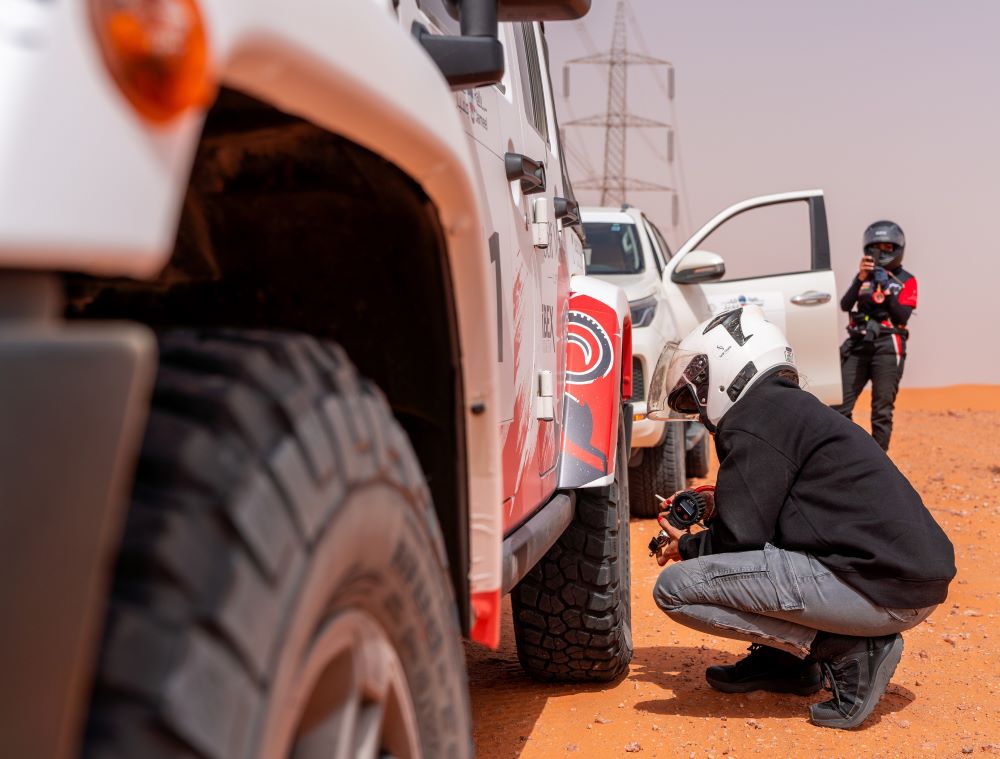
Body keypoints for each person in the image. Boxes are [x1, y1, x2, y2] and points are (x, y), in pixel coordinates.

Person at [645, 305, 955, 730]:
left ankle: (842, 649)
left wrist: (686, 545)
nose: (697, 403)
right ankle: (786, 663)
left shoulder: (754, 418)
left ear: (728, 366)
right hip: (900, 582)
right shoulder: (784, 409)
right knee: (755, 564)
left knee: (676, 590)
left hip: (880, 590)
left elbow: (739, 540)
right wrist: (717, 504)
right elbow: (779, 511)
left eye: (699, 381)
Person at [832, 220, 917, 450]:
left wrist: (887, 288)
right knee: (838, 407)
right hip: (859, 343)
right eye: (876, 247)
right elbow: (845, 304)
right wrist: (861, 278)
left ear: (898, 249)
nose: (881, 252)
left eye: (887, 247)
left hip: (889, 345)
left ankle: (878, 470)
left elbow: (902, 315)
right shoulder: (863, 278)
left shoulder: (907, 280)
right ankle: (851, 456)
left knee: (881, 412)